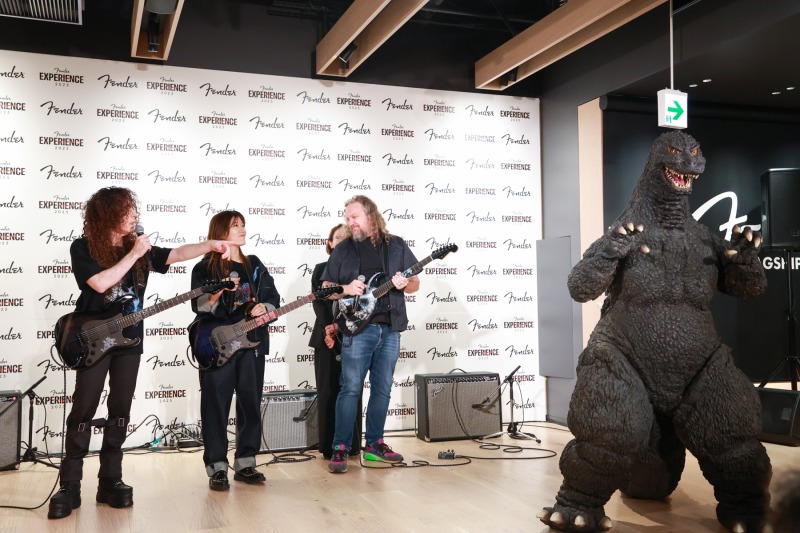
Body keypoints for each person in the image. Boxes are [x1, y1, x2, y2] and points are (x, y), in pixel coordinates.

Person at [48, 187, 235, 520]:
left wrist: (209, 245)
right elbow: (100, 284)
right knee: (83, 408)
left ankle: (110, 480)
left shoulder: (140, 249)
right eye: (127, 210)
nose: (134, 214)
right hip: (92, 339)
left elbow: (176, 254)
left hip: (130, 341)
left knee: (120, 409)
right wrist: (134, 253)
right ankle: (70, 484)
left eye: (133, 209)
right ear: (108, 214)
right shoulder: (83, 247)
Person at [321, 195, 419, 474]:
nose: (350, 222)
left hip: (390, 328)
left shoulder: (396, 245)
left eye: (354, 217)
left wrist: (403, 284)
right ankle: (341, 446)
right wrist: (344, 289)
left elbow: (415, 283)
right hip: (357, 330)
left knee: (383, 389)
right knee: (351, 388)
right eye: (347, 218)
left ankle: (375, 444)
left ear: (370, 216)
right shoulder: (344, 249)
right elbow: (326, 287)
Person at [190, 210, 281, 491]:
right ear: (220, 232)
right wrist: (218, 291)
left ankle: (245, 463)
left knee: (250, 403)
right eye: (235, 226)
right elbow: (199, 305)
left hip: (252, 342)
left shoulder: (254, 265)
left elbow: (273, 297)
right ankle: (217, 467)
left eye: (243, 225)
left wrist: (264, 307)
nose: (242, 230)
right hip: (218, 345)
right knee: (215, 405)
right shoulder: (204, 267)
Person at [308, 223, 362, 459]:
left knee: (352, 391)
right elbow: (318, 303)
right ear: (329, 243)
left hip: (354, 337)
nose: (342, 240)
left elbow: (362, 305)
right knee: (328, 391)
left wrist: (341, 328)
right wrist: (330, 329)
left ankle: (352, 445)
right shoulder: (321, 269)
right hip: (325, 338)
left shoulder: (360, 270)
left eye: (347, 237)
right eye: (337, 237)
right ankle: (329, 447)